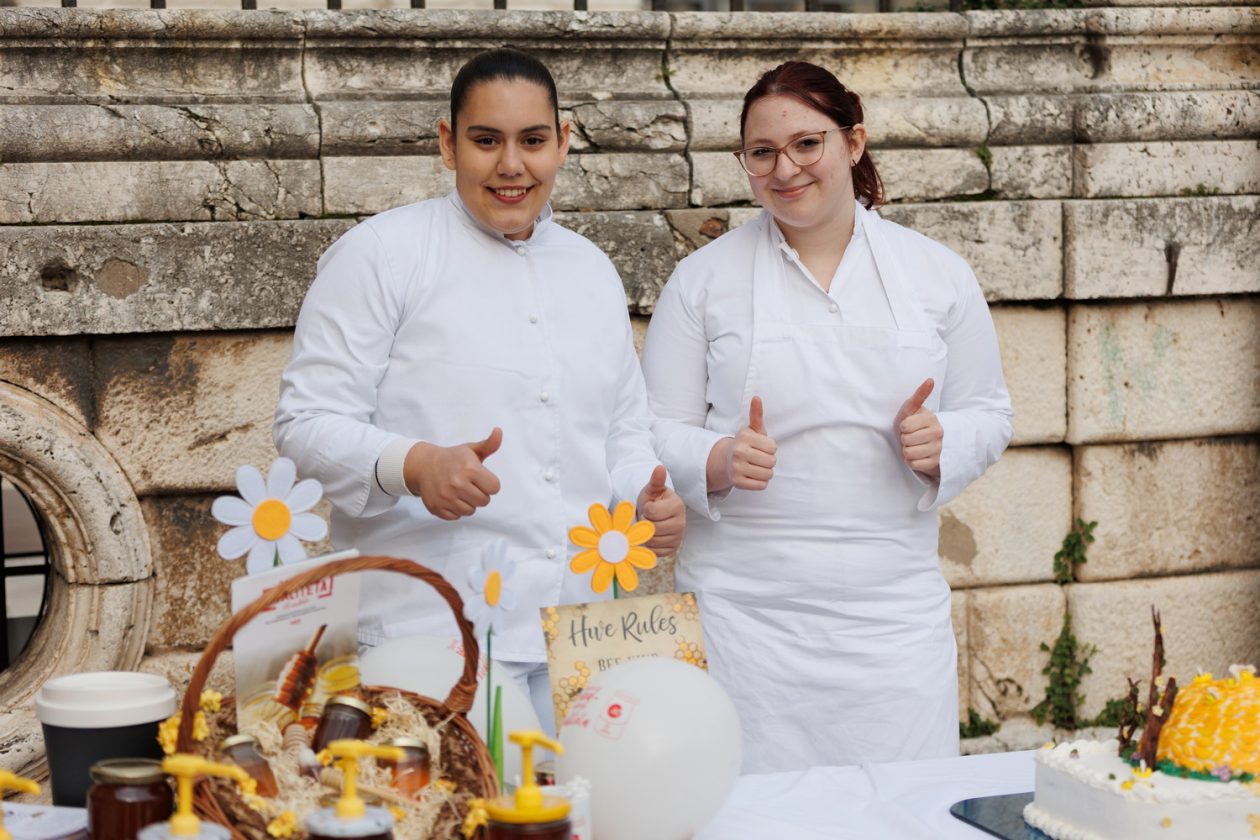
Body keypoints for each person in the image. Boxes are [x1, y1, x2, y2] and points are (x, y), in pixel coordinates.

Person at [274, 48, 685, 730]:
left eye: (532, 140)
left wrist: (647, 496)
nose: (511, 165)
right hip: (432, 629)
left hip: (581, 627)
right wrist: (416, 464)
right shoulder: (380, 255)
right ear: (447, 143)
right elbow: (305, 423)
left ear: (564, 142)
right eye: (486, 141)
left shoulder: (591, 270)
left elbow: (621, 432)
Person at [641, 61, 1013, 773]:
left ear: (854, 142)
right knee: (748, 812)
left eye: (807, 144)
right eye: (762, 153)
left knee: (900, 810)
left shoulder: (938, 275)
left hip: (892, 618)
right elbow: (652, 426)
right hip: (742, 617)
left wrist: (944, 441)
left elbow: (989, 411)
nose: (785, 169)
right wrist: (717, 460)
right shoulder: (703, 281)